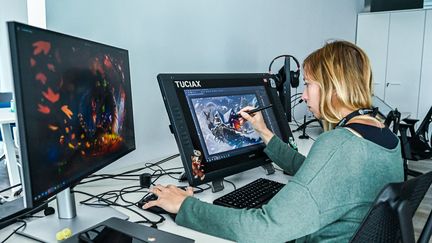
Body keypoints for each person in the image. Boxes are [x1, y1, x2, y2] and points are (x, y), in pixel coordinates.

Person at [143, 40, 404, 242]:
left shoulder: (339, 144)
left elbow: (265, 229)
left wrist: (186, 206)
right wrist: (265, 133)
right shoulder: (384, 135)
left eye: (308, 84)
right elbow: (322, 176)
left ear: (333, 87)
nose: (303, 96)